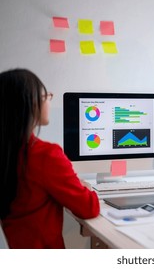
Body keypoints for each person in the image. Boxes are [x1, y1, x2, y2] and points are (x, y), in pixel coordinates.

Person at [0, 68, 100, 248]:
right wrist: (84, 187)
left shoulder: (8, 153)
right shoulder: (45, 155)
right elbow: (89, 208)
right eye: (46, 95)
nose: (48, 101)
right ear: (30, 103)